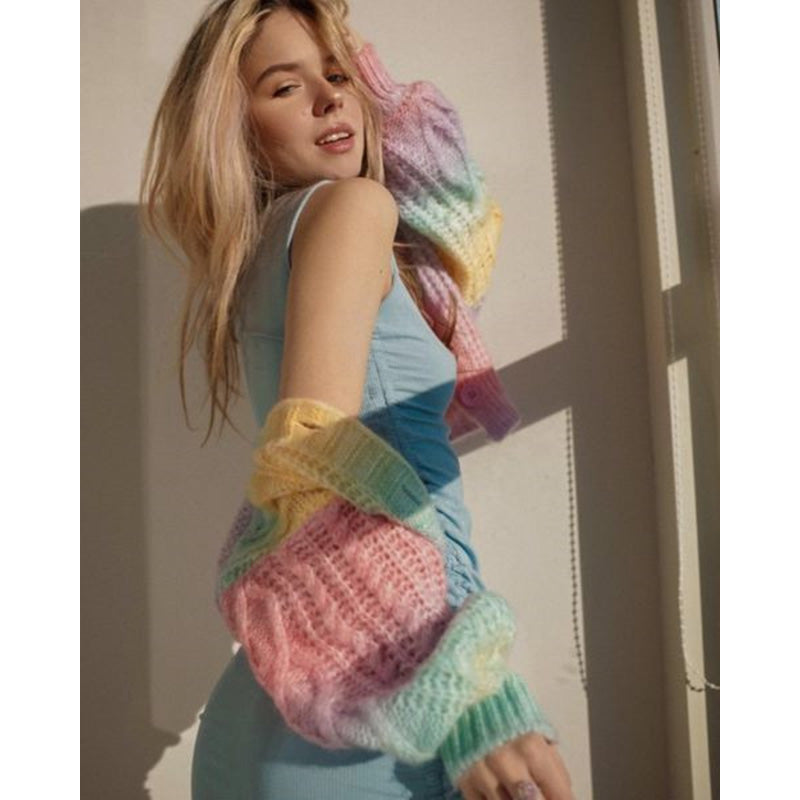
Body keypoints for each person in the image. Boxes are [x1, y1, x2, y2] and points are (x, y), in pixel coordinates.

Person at [139, 2, 575, 798]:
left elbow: (457, 216)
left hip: (302, 702)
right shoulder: (350, 212)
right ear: (235, 126)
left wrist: (356, 65)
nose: (330, 98)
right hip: (388, 703)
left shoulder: (275, 241)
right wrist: (464, 693)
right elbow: (319, 473)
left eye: (338, 76)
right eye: (285, 87)